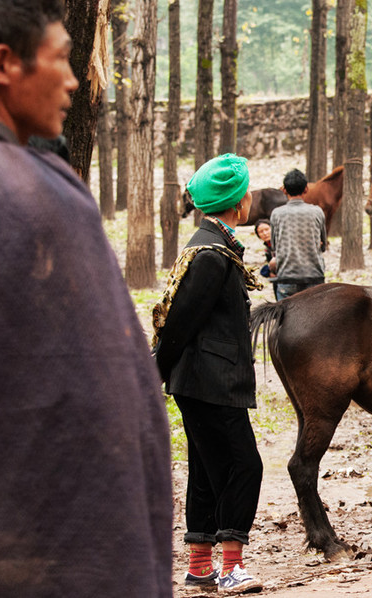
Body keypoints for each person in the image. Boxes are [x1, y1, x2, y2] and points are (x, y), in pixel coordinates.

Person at [0, 1, 172, 594]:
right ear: (3, 66)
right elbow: (95, 400)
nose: (77, 80)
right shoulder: (36, 194)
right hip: (43, 552)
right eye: (61, 58)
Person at [154, 154, 264, 594]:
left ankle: (200, 565)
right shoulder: (211, 255)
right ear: (238, 202)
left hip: (204, 378)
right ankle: (233, 567)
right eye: (248, 191)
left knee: (204, 467)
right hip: (211, 381)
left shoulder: (211, 243)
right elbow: (179, 323)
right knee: (245, 466)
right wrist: (153, 378)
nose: (251, 197)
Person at [269, 168, 327, 300]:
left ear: (284, 190)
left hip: (287, 277)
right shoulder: (317, 212)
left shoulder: (276, 214)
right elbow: (323, 246)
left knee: (286, 319)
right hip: (314, 277)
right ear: (306, 189)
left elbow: (274, 248)